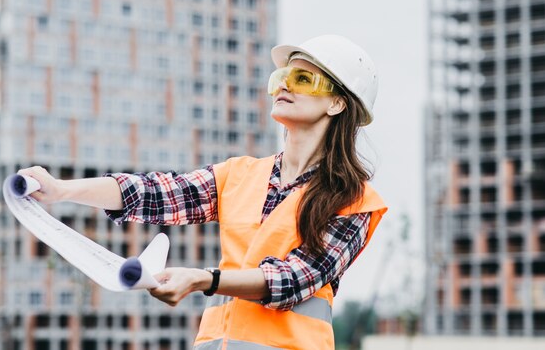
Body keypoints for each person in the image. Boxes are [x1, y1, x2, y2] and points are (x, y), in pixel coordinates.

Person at [19, 34, 388, 350]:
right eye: (280, 77)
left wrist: (203, 279)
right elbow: (153, 193)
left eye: (303, 78)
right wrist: (60, 190)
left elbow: (293, 279)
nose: (283, 86)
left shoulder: (353, 201)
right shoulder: (239, 175)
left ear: (338, 102)